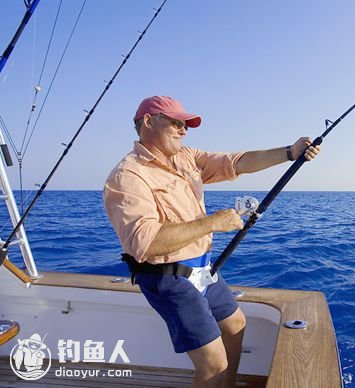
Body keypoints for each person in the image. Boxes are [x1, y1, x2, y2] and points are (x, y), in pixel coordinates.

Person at [103, 95, 320, 388]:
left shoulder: (186, 157)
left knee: (235, 324)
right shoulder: (128, 176)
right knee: (213, 363)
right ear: (147, 122)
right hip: (168, 277)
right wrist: (214, 223)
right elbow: (145, 242)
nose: (183, 130)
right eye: (176, 123)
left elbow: (236, 162)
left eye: (186, 125)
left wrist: (289, 152)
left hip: (204, 268)